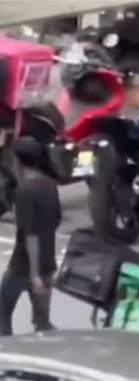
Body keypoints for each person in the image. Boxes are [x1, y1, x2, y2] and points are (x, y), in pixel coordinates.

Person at [0, 137, 61, 336]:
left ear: (19, 160)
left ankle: (7, 351)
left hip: (23, 265)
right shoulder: (50, 185)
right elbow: (56, 219)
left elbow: (29, 234)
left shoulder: (25, 191)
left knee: (2, 311)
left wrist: (34, 274)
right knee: (42, 322)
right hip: (48, 263)